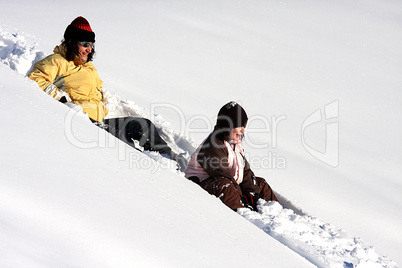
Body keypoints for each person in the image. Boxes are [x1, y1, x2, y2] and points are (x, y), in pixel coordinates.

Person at [28, 16, 182, 167]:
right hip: (84, 123)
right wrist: (61, 98)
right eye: (85, 44)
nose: (89, 49)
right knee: (123, 141)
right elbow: (35, 78)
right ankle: (154, 172)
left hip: (100, 122)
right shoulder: (57, 61)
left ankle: (174, 164)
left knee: (142, 125)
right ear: (71, 42)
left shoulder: (88, 67)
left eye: (91, 44)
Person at [184, 101, 278, 211]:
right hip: (201, 186)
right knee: (225, 185)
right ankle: (242, 214)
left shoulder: (234, 144)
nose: (243, 130)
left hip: (230, 184)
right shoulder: (212, 146)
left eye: (244, 126)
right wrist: (242, 198)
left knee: (260, 184)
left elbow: (245, 172)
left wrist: (251, 194)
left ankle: (276, 213)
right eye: (239, 126)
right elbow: (223, 175)